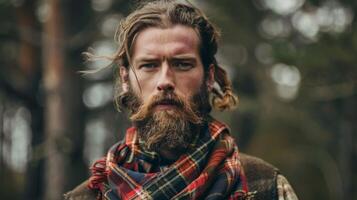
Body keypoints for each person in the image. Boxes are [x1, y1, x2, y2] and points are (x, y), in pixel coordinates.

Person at [65, 1, 298, 199]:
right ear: (126, 79)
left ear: (208, 77)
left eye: (182, 64)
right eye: (149, 65)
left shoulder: (264, 186)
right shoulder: (89, 195)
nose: (165, 80)